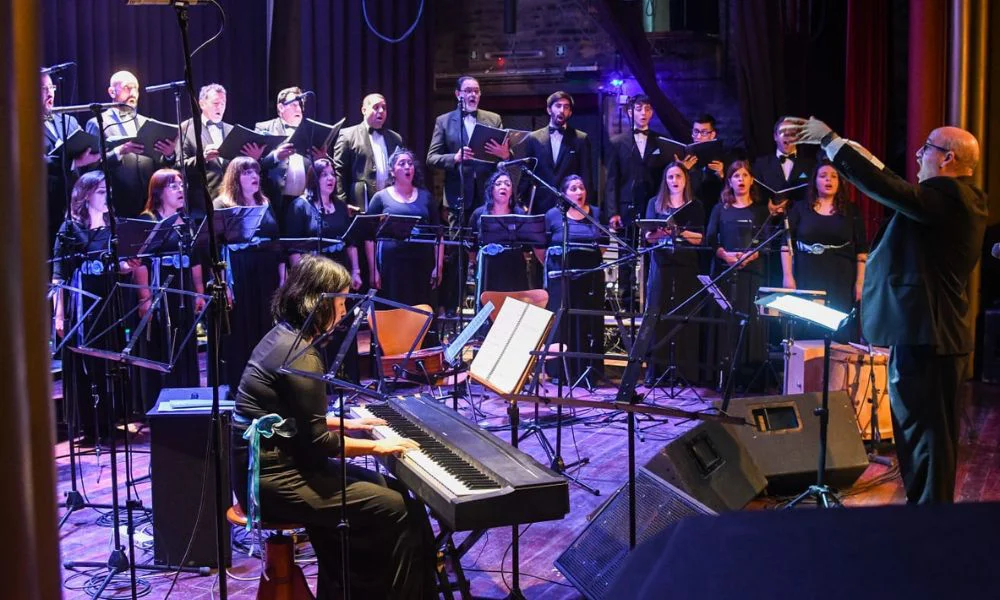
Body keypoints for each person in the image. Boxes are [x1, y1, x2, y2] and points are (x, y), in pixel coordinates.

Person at [789, 116, 988, 504]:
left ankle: (931, 521)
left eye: (926, 148)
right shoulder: (947, 199)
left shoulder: (952, 199)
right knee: (919, 436)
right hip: (922, 334)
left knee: (929, 439)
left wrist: (831, 142)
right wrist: (847, 145)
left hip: (930, 337)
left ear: (947, 158)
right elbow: (890, 180)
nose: (918, 154)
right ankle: (924, 513)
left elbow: (887, 187)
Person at [231, 255, 437, 599]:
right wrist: (377, 446)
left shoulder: (283, 336)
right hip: (273, 481)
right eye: (340, 302)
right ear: (319, 302)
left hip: (278, 464)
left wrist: (349, 423)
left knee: (394, 492)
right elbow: (319, 443)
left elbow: (292, 416)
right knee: (399, 508)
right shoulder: (300, 355)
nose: (343, 312)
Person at [427, 76, 510, 314]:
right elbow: (431, 158)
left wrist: (505, 155)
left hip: (487, 200)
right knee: (457, 256)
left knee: (490, 251)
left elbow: (506, 159)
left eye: (476, 91)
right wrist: (454, 158)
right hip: (458, 199)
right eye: (468, 91)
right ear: (458, 94)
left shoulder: (493, 119)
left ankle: (490, 311)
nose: (473, 95)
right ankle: (451, 311)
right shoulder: (444, 121)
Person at [51, 172, 120, 444]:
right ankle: (91, 427)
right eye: (101, 192)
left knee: (109, 363)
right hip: (82, 304)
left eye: (108, 191)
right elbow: (58, 275)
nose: (107, 196)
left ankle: (110, 422)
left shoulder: (113, 225)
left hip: (109, 301)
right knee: (85, 366)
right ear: (86, 195)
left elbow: (120, 263)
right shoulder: (70, 228)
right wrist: (58, 315)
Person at [131, 169, 206, 411]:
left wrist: (198, 291)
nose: (180, 190)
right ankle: (159, 404)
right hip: (160, 290)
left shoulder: (187, 221)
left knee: (184, 341)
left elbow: (195, 260)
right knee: (162, 344)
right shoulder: (148, 220)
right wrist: (145, 298)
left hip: (183, 289)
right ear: (159, 192)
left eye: (181, 185)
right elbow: (140, 262)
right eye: (173, 186)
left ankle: (187, 398)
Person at [285, 158, 363, 382]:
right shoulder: (300, 206)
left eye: (332, 174)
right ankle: (320, 379)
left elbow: (350, 242)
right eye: (324, 175)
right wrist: (301, 280)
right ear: (314, 179)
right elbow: (294, 247)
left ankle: (347, 377)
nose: (331, 179)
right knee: (321, 323)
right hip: (316, 273)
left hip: (340, 270)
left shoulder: (340, 205)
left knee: (343, 321)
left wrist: (356, 271)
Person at [213, 157, 282, 396]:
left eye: (256, 171)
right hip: (239, 271)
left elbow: (276, 241)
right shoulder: (222, 204)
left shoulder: (265, 202)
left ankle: (267, 384)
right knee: (241, 327)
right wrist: (224, 284)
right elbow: (215, 248)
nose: (254, 176)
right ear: (235, 178)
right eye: (246, 172)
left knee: (266, 326)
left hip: (265, 270)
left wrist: (282, 280)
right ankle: (242, 386)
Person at [780, 161, 867, 341]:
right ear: (815, 181)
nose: (829, 180)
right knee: (807, 329)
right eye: (823, 176)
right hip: (807, 276)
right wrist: (788, 276)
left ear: (840, 182)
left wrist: (860, 282)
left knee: (839, 331)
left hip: (841, 279)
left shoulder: (851, 211)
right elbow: (785, 245)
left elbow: (861, 250)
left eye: (834, 176)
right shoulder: (800, 209)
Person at [704, 161, 771, 385]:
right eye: (736, 176)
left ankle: (748, 378)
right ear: (729, 181)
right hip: (725, 272)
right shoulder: (720, 209)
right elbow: (710, 238)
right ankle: (722, 377)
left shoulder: (760, 211)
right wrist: (725, 255)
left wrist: (747, 257)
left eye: (744, 175)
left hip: (751, 274)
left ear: (752, 180)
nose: (740, 179)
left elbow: (767, 243)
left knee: (750, 322)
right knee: (726, 323)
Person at [536, 175, 606, 383]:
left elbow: (603, 245)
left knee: (587, 321)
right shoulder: (552, 215)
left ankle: (588, 370)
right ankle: (559, 371)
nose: (579, 192)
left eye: (581, 188)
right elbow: (541, 248)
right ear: (564, 194)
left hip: (589, 278)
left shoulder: (596, 213)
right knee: (562, 320)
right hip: (561, 278)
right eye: (573, 189)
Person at [604, 94, 670, 312]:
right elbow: (612, 179)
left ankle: (652, 301)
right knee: (626, 255)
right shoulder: (617, 142)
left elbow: (664, 177)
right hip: (626, 206)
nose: (643, 113)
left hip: (652, 206)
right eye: (639, 109)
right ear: (630, 112)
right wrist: (613, 211)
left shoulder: (660, 141)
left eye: (648, 109)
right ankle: (627, 303)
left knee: (653, 252)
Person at [643, 162, 706, 385]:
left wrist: (678, 230)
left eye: (678, 176)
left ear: (686, 179)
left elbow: (699, 239)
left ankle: (684, 373)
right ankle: (657, 372)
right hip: (661, 263)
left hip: (686, 264)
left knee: (684, 315)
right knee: (659, 314)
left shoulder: (695, 206)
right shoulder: (655, 203)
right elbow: (648, 237)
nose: (674, 181)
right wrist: (660, 232)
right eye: (670, 177)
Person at [85, 70, 178, 218]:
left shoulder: (146, 122)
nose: (133, 93)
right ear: (112, 92)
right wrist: (120, 151)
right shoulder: (98, 123)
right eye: (127, 87)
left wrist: (169, 155)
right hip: (117, 202)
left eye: (136, 88)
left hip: (149, 203)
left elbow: (158, 163)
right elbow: (91, 167)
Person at [366, 149, 444, 308]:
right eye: (402, 164)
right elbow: (368, 236)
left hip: (421, 264)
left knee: (420, 309)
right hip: (392, 267)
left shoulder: (426, 197)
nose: (408, 167)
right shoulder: (381, 198)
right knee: (393, 308)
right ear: (392, 171)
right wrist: (374, 270)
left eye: (410, 163)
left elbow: (438, 234)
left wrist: (439, 266)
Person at [180, 83, 265, 218]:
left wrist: (253, 158)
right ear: (202, 104)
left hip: (234, 202)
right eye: (215, 103)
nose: (220, 107)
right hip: (202, 204)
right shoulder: (187, 129)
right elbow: (179, 165)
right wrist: (202, 158)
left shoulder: (232, 130)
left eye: (223, 103)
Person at [43, 72, 101, 253]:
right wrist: (72, 162)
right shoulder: (22, 123)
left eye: (51, 87)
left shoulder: (68, 121)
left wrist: (94, 155)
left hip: (74, 202)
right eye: (43, 88)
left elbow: (84, 156)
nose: (49, 93)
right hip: (45, 203)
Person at [256, 86, 328, 226]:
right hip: (276, 198)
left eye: (300, 105)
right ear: (281, 107)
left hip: (306, 200)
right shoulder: (264, 128)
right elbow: (256, 164)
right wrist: (276, 156)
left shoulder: (310, 130)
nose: (298, 109)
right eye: (294, 104)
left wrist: (321, 158)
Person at [519, 91, 593, 216]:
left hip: (570, 204)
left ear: (570, 112)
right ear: (549, 110)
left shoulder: (581, 139)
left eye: (566, 107)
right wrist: (521, 201)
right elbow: (527, 172)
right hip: (540, 204)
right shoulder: (534, 138)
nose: (562, 110)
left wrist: (586, 204)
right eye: (558, 106)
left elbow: (586, 175)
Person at [333, 93, 403, 212]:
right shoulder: (347, 135)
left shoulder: (395, 138)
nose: (381, 111)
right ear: (364, 110)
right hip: (360, 204)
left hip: (390, 205)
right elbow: (339, 172)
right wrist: (342, 204)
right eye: (376, 107)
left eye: (384, 108)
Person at [470, 170, 531, 300]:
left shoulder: (520, 214)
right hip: (488, 266)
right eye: (498, 184)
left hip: (514, 266)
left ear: (511, 191)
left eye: (508, 184)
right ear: (491, 189)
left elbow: (526, 247)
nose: (503, 187)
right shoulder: (479, 214)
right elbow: (471, 246)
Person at [751, 116, 817, 212]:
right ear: (775, 136)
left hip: (800, 217)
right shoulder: (761, 164)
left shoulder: (810, 165)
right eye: (782, 132)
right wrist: (766, 207)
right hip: (770, 218)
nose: (787, 135)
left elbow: (814, 194)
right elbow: (754, 194)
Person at [683, 113, 727, 214]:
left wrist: (722, 175)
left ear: (712, 134)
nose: (698, 136)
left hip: (715, 210)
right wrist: (684, 171)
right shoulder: (684, 157)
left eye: (704, 132)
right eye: (696, 131)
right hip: (690, 210)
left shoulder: (724, 157)